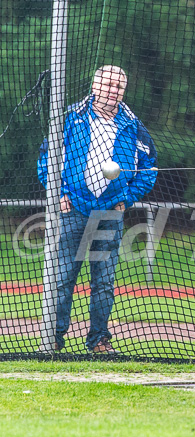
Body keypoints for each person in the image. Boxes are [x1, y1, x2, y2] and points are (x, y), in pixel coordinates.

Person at [38, 65, 157, 354]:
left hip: (109, 214)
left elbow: (149, 166)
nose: (113, 90)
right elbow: (46, 160)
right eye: (107, 84)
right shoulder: (70, 117)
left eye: (119, 86)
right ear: (94, 85)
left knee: (104, 281)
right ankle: (53, 339)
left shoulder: (133, 125)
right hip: (73, 209)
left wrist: (127, 198)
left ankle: (99, 341)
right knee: (63, 277)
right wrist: (58, 194)